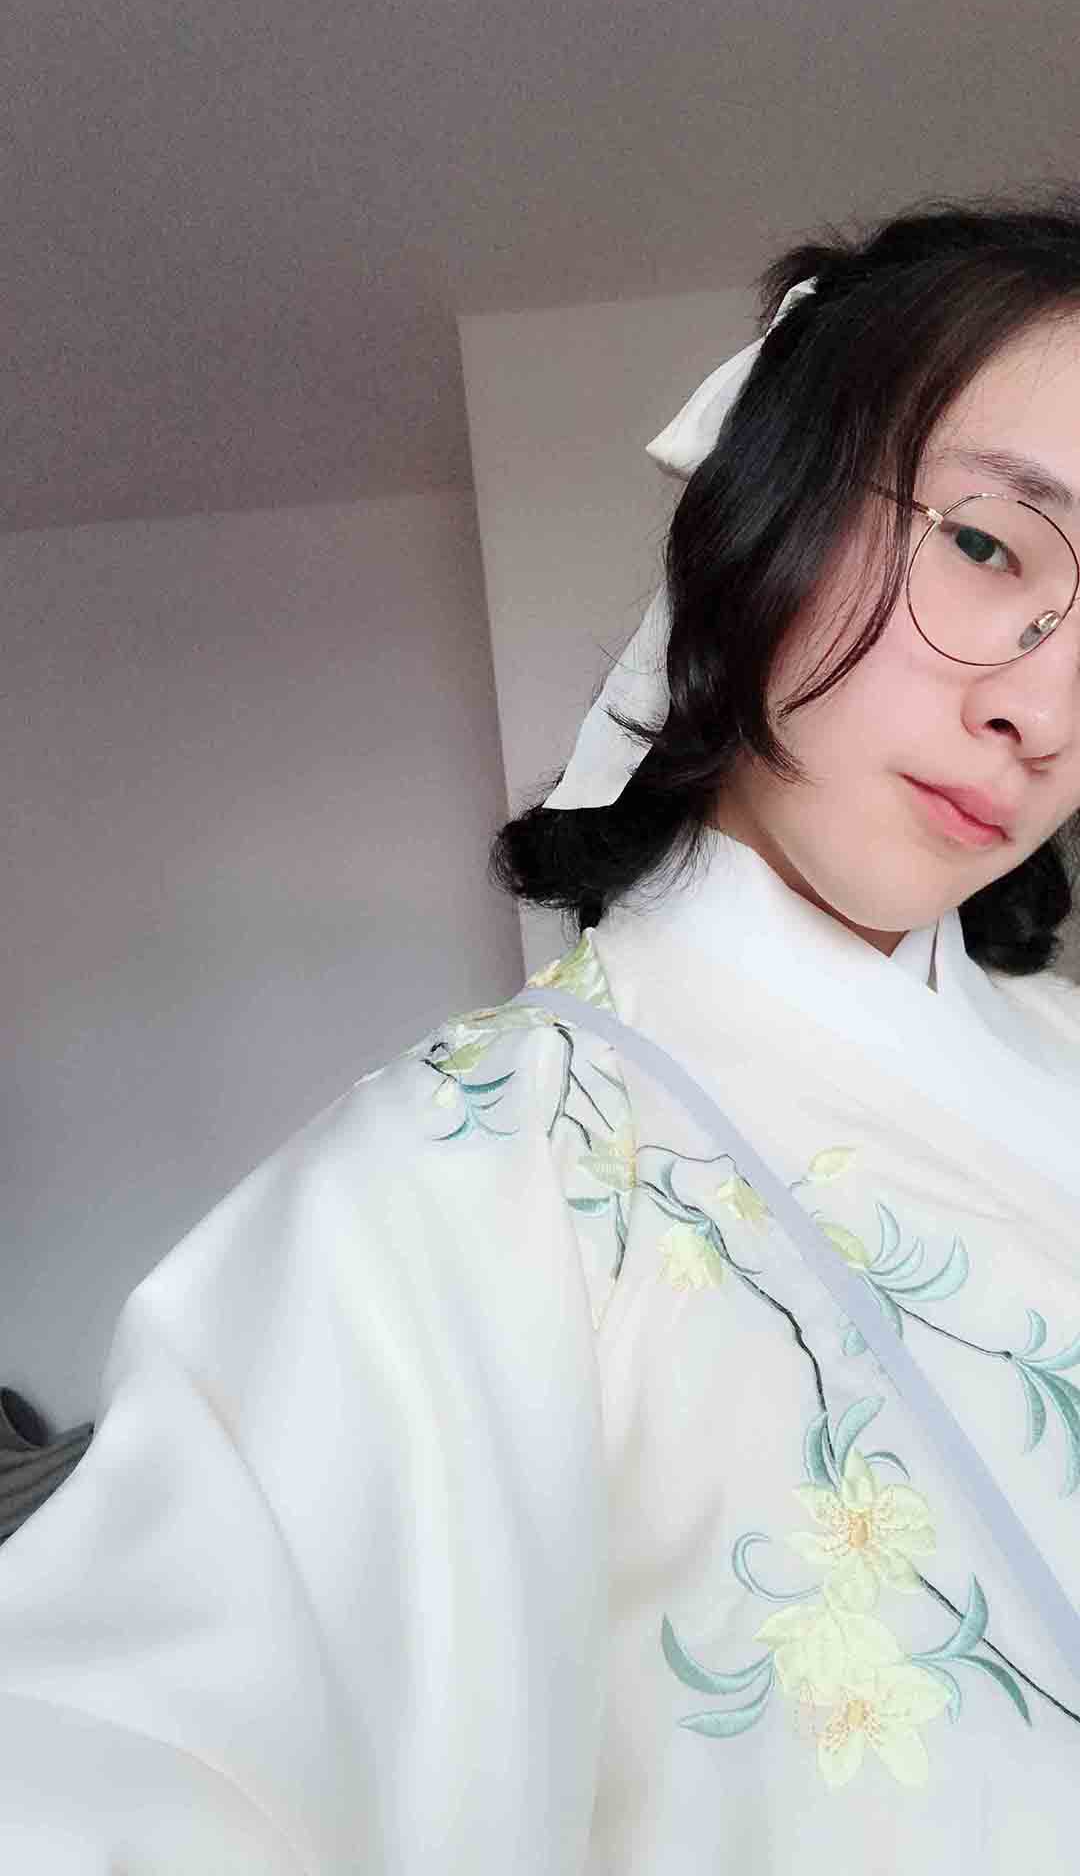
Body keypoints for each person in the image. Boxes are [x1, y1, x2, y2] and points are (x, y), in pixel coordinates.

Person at [4, 194, 1080, 1872]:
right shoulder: (479, 1167)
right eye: (991, 546)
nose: (1040, 709)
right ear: (778, 509)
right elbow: (114, 1758)